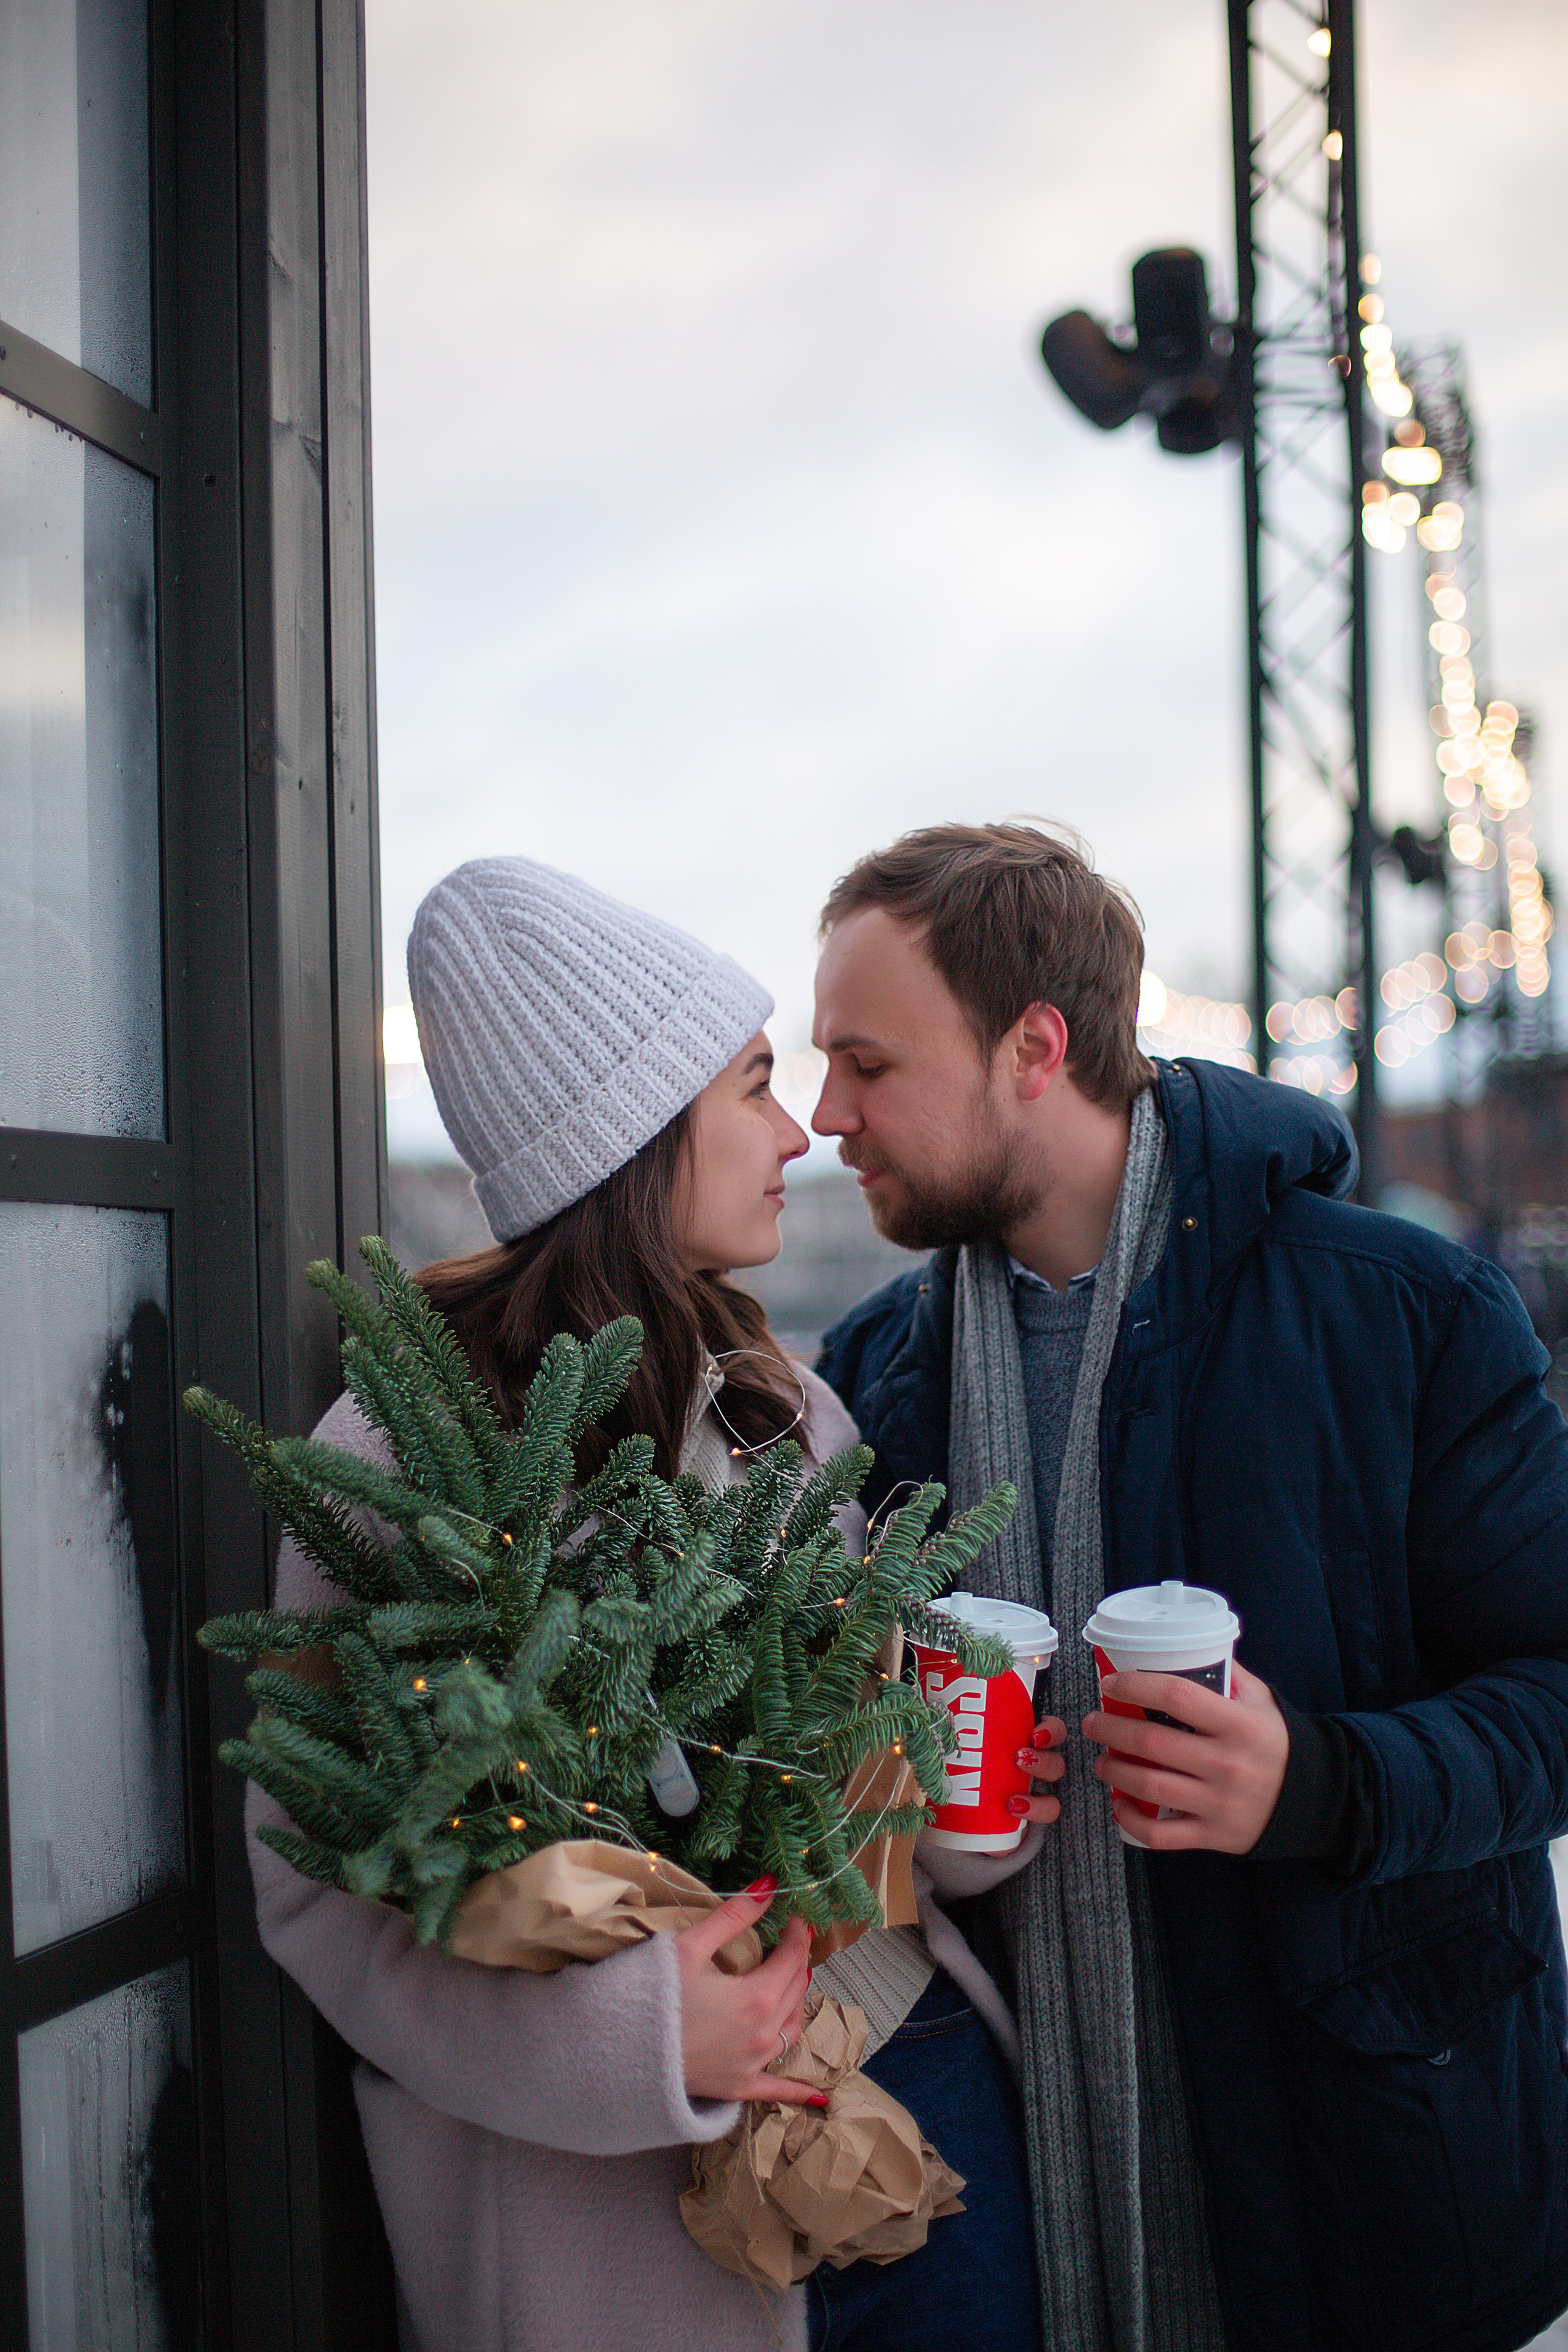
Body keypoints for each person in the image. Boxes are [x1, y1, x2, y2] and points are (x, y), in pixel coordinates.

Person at [244, 856, 1044, 2352]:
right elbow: (323, 1887)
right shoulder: (408, 1456)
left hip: (914, 2109)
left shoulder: (778, 1406)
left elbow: (860, 1775)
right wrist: (636, 2037)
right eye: (750, 1085)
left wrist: (964, 1808)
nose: (799, 1127)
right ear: (630, 1132)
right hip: (626, 2214)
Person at [813, 820, 1568, 2352]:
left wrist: (1324, 1783)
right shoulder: (872, 1376)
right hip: (1002, 2205)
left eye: (867, 1064)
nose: (825, 1111)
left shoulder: (1397, 1311)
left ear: (1033, 1046)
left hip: (1363, 2185)